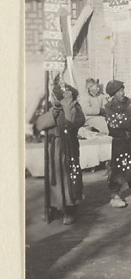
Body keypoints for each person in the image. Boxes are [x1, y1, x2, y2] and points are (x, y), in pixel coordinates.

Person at [35, 81, 85, 225]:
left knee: (70, 178)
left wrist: (67, 105)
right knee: (55, 176)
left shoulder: (74, 108)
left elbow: (72, 123)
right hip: (54, 148)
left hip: (69, 148)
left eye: (55, 96)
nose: (53, 99)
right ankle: (55, 205)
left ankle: (71, 208)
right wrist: (53, 115)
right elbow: (39, 124)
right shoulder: (51, 110)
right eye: (53, 96)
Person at [104, 80, 131, 208]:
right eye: (119, 91)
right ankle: (115, 195)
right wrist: (129, 111)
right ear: (113, 94)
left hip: (130, 141)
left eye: (122, 89)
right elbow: (119, 123)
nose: (122, 93)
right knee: (118, 169)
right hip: (119, 142)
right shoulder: (109, 107)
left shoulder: (128, 102)